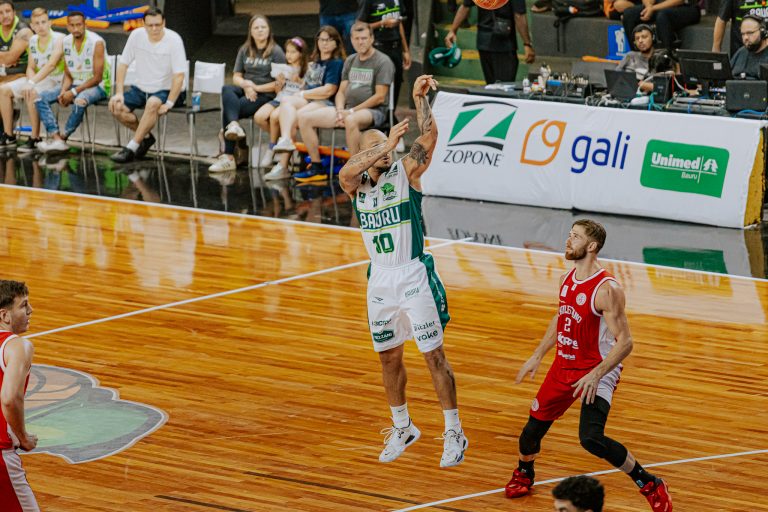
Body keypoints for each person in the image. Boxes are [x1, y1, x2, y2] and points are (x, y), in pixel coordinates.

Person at [338, 74, 468, 468]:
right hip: (379, 279)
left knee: (433, 356)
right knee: (388, 358)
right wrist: (382, 144)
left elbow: (429, 137)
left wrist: (419, 98)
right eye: (375, 147)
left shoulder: (405, 173)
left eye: (387, 146)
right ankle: (403, 426)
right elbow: (345, 173)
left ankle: (454, 431)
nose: (385, 152)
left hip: (412, 274)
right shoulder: (356, 185)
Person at [504, 219, 672, 511]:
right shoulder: (565, 279)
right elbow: (562, 317)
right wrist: (538, 354)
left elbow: (625, 342)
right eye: (569, 234)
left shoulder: (607, 289)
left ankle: (650, 483)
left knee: (591, 438)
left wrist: (596, 374)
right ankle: (524, 473)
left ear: (592, 246)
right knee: (530, 432)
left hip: (598, 368)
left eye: (576, 237)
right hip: (563, 366)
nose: (568, 240)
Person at [296, 21, 394, 183]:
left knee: (351, 120)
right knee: (304, 118)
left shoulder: (382, 61)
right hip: (347, 110)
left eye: (364, 38)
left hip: (373, 111)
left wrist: (351, 112)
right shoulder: (350, 60)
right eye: (357, 39)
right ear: (352, 40)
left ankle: (357, 171)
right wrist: (340, 110)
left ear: (371, 38)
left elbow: (380, 97)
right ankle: (316, 166)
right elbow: (341, 91)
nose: (360, 42)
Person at [263, 26, 345, 181]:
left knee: (294, 117)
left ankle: (286, 165)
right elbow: (306, 85)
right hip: (309, 98)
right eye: (321, 39)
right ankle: (285, 140)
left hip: (324, 102)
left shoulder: (336, 63)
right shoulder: (315, 62)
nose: (324, 43)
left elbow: (329, 90)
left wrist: (302, 93)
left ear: (336, 43)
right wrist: (295, 83)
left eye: (329, 40)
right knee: (286, 101)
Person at [208, 14, 285, 173]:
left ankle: (229, 157)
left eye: (263, 27)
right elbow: (236, 76)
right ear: (250, 31)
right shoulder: (244, 49)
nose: (260, 30)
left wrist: (256, 88)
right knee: (227, 89)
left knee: (230, 111)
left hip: (265, 95)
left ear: (269, 30)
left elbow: (280, 84)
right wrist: (246, 85)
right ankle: (234, 127)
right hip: (247, 90)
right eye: (256, 27)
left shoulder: (276, 52)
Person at [109, 8, 187, 163]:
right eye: (150, 25)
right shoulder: (136, 36)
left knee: (152, 103)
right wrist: (119, 93)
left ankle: (131, 148)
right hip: (141, 88)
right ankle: (145, 137)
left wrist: (169, 103)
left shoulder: (174, 40)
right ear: (143, 24)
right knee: (116, 107)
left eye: (158, 24)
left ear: (164, 23)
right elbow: (123, 64)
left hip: (168, 90)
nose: (154, 29)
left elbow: (179, 76)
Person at [35, 11, 109, 154]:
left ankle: (64, 138)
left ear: (85, 25)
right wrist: (63, 91)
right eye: (72, 25)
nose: (76, 29)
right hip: (75, 84)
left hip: (99, 86)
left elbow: (97, 78)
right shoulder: (66, 42)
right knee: (40, 98)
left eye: (79, 25)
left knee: (80, 100)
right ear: (67, 26)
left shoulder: (96, 42)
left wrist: (73, 92)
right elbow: (68, 73)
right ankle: (56, 138)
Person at [0, 280, 40, 511]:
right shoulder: (17, 346)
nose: (30, 310)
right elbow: (9, 398)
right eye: (24, 305)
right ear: (4, 315)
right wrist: (23, 437)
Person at [0, 7, 63, 150]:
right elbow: (30, 67)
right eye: (37, 23)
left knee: (31, 92)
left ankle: (35, 137)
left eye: (43, 22)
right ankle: (9, 136)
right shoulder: (33, 40)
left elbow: (51, 65)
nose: (41, 26)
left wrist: (32, 83)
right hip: (38, 79)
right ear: (32, 26)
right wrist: (30, 81)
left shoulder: (59, 39)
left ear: (50, 23)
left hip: (56, 80)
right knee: (3, 90)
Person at [444, 0, 535, 84]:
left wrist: (453, 30)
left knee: (490, 86)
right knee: (505, 87)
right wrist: (527, 43)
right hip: (504, 45)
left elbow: (465, 6)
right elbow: (519, 15)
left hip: (483, 42)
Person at [254, 36, 308, 172]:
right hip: (280, 98)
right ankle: (285, 142)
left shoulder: (307, 69)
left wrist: (299, 81)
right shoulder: (284, 68)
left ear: (301, 53)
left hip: (293, 101)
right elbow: (278, 91)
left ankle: (271, 148)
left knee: (274, 117)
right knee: (259, 116)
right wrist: (279, 84)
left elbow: (308, 90)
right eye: (287, 51)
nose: (289, 55)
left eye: (293, 52)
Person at [358, 0, 411, 110]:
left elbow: (399, 23)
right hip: (379, 47)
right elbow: (359, 26)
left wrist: (405, 50)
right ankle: (378, 114)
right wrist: (382, 23)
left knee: (397, 81)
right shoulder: (368, 2)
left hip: (396, 46)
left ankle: (391, 113)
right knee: (380, 84)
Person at [621, 0, 700, 51]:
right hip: (658, 7)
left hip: (687, 7)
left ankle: (667, 57)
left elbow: (679, 1)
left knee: (662, 15)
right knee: (629, 13)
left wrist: (653, 8)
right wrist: (648, 6)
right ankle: (637, 55)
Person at [616, 24, 655, 93]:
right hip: (625, 92)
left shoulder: (660, 59)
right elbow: (615, 76)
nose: (640, 41)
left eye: (644, 37)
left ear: (653, 37)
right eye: (637, 38)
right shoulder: (630, 55)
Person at [0, 1, 31, 86]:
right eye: (0, 13)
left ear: (14, 13)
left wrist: (5, 58)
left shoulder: (23, 30)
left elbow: (9, 59)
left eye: (8, 11)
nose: (5, 16)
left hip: (26, 73)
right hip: (7, 71)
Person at [730, 14, 768, 79]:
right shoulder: (740, 52)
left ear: (762, 32)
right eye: (743, 34)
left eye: (750, 33)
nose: (745, 38)